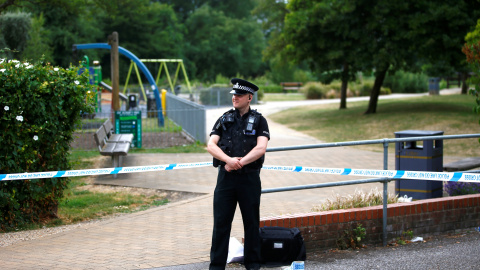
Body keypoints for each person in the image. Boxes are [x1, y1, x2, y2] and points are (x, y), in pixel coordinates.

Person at [207, 78, 270, 270]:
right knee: (220, 225)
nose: (235, 98)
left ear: (249, 97)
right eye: (234, 94)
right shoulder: (224, 119)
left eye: (239, 95)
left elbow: (261, 148)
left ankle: (253, 265)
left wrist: (238, 163)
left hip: (249, 179)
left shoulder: (259, 121)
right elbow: (211, 145)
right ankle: (216, 267)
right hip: (226, 179)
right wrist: (228, 160)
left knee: (251, 224)